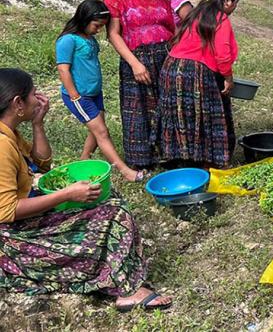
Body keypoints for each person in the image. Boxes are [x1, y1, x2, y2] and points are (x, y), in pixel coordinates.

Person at [0, 68, 171, 311]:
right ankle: (126, 289)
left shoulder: (9, 133)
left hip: (23, 216)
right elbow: (6, 210)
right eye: (33, 95)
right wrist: (66, 194)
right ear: (18, 103)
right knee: (114, 216)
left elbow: (42, 163)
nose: (37, 100)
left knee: (105, 198)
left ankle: (115, 271)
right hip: (11, 238)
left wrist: (38, 124)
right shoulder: (2, 145)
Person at [55, 0, 143, 182]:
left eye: (102, 26)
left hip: (95, 93)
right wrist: (74, 96)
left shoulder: (89, 39)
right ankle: (125, 171)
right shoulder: (67, 40)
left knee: (96, 131)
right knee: (102, 132)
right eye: (96, 25)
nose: (98, 30)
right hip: (79, 95)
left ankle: (84, 159)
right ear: (84, 19)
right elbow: (63, 69)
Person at [158, 0, 240, 169]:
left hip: (171, 67)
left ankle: (181, 159)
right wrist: (228, 78)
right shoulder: (220, 18)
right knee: (204, 115)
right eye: (236, 3)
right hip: (195, 72)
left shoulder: (197, 12)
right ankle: (206, 161)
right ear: (228, 1)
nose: (234, 7)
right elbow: (222, 54)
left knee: (181, 114)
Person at [104, 0, 174, 170]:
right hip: (135, 58)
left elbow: (171, 28)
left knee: (166, 105)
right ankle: (141, 160)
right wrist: (135, 63)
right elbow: (113, 34)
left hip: (164, 56)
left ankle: (169, 154)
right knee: (137, 110)